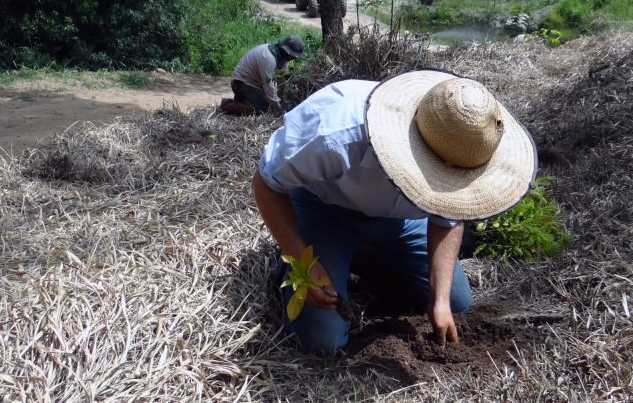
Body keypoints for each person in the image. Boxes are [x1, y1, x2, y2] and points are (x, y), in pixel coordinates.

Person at [252, 70, 537, 354]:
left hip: (398, 223)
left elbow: (448, 220)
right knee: (323, 342)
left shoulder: (463, 143)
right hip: (325, 210)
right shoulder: (335, 132)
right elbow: (266, 182)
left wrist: (439, 301)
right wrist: (304, 263)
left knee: (455, 303)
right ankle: (303, 260)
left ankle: (360, 257)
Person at [229, 36, 306, 114]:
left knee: (269, 103)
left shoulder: (282, 58)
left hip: (257, 85)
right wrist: (278, 107)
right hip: (241, 83)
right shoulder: (268, 59)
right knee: (263, 110)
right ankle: (229, 105)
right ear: (287, 52)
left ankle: (243, 99)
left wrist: (285, 99)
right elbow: (268, 85)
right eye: (293, 56)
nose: (294, 58)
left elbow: (282, 80)